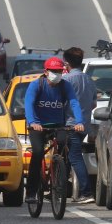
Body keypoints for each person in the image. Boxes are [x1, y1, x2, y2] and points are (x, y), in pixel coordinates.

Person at [23, 57, 84, 205]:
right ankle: (31, 191)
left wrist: (79, 121)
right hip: (38, 125)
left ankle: (59, 175)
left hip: (58, 124)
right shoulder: (36, 85)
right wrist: (33, 122)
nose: (57, 74)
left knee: (64, 145)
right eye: (54, 71)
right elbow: (29, 104)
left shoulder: (65, 86)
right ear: (46, 72)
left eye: (59, 71)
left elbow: (74, 102)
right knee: (37, 152)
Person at [61, 47, 96, 203]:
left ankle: (86, 192)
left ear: (66, 63)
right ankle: (61, 190)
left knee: (74, 156)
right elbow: (93, 103)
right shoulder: (88, 79)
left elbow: (60, 102)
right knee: (66, 157)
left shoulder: (67, 80)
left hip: (70, 124)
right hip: (84, 125)